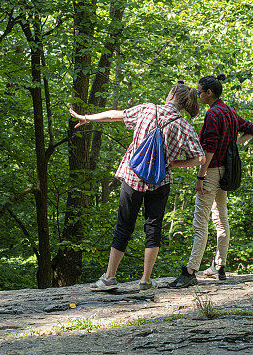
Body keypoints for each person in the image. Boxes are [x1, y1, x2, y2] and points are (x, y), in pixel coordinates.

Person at [70, 84, 205, 292]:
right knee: (154, 228)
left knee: (123, 226)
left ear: (171, 95)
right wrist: (172, 164)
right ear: (186, 102)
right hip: (160, 181)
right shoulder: (184, 126)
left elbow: (116, 115)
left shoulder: (148, 109)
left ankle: (109, 278)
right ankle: (146, 280)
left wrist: (87, 118)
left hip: (132, 177)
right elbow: (200, 158)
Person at [169, 74, 253, 288]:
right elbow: (251, 130)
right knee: (221, 219)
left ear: (209, 93)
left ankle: (190, 271)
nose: (197, 95)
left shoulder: (213, 115)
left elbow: (209, 149)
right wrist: (233, 145)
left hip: (212, 171)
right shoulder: (229, 112)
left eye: (200, 92)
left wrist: (201, 175)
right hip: (226, 172)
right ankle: (219, 266)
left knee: (201, 223)